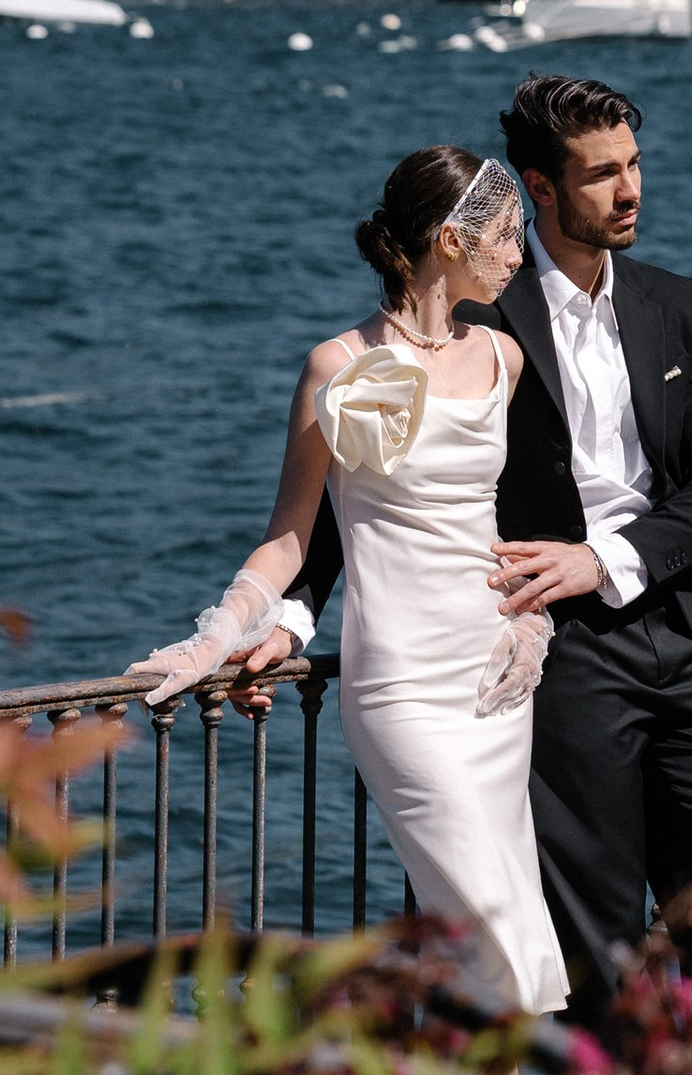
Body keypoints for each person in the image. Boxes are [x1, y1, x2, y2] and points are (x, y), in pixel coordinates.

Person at [251, 71, 692, 1018]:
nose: (630, 190)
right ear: (541, 188)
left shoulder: (673, 303)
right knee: (594, 937)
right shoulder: (475, 316)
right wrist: (287, 616)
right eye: (602, 174)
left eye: (633, 165)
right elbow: (377, 486)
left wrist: (607, 559)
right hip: (547, 648)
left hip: (676, 635)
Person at [128, 146, 568, 1018]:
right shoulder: (336, 365)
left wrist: (532, 620)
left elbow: (517, 520)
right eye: (507, 234)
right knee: (496, 926)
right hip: (402, 686)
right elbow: (290, 537)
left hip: (494, 682)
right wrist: (219, 635)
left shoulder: (505, 357)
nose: (520, 253)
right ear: (452, 240)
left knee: (499, 926)